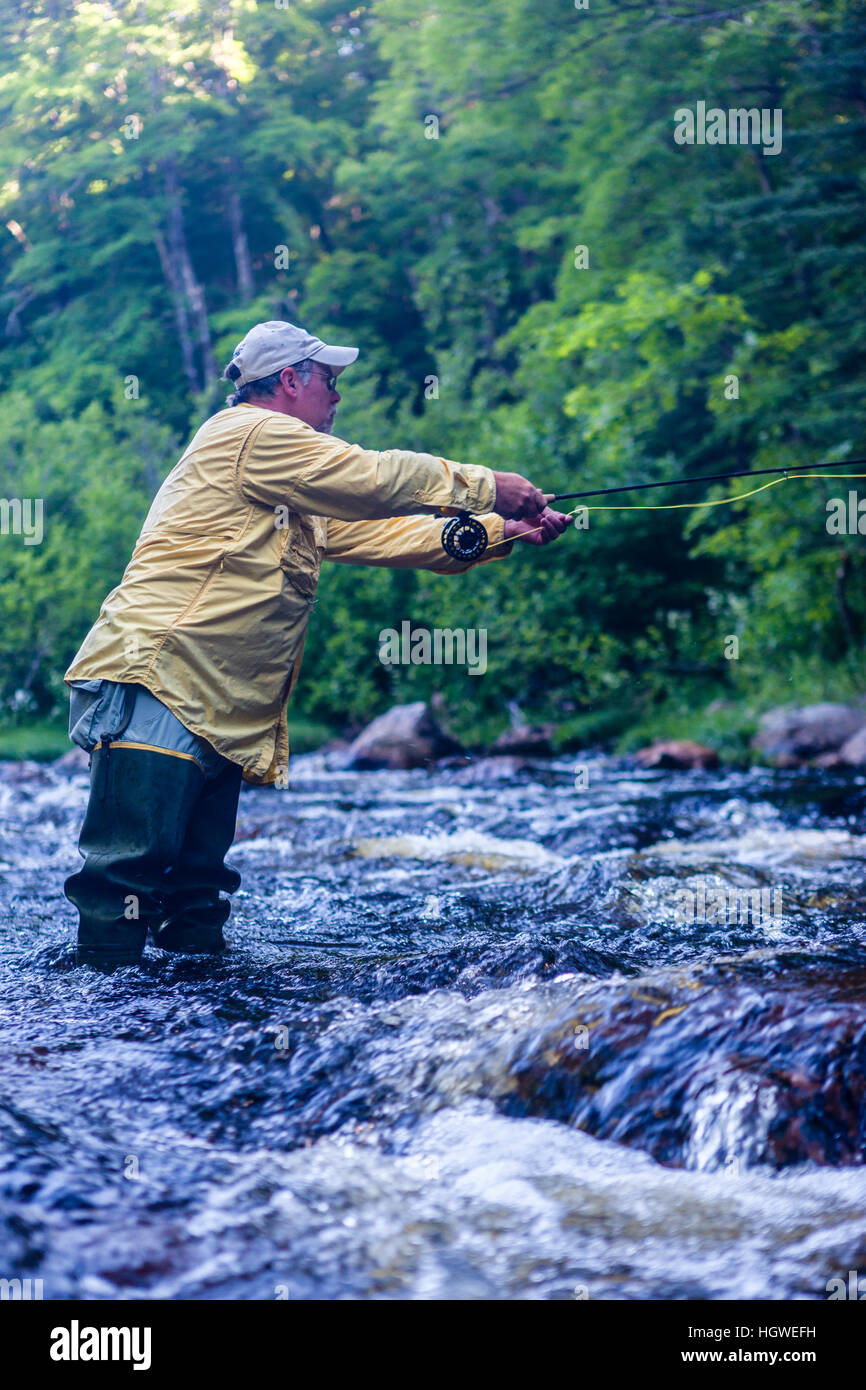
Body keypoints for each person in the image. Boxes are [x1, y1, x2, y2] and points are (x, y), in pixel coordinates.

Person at [63, 320, 571, 969]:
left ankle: (179, 1037)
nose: (337, 395)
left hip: (212, 708)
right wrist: (484, 484)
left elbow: (385, 533)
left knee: (195, 895)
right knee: (124, 880)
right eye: (329, 380)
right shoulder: (251, 434)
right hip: (156, 681)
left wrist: (503, 529)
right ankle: (101, 1032)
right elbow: (373, 477)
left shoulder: (287, 484)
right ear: (290, 381)